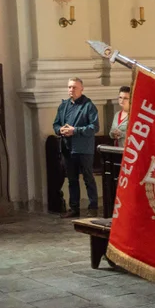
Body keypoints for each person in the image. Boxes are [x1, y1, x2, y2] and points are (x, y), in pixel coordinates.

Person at [53, 77, 100, 218]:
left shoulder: (88, 106)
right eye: (69, 87)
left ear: (81, 89)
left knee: (88, 178)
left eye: (74, 87)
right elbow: (55, 124)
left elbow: (94, 127)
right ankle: (74, 208)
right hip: (68, 148)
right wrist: (60, 130)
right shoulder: (63, 106)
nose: (71, 90)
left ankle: (93, 207)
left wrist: (76, 130)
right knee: (72, 180)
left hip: (84, 148)